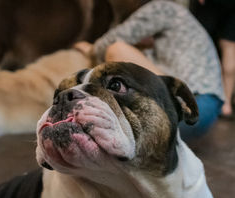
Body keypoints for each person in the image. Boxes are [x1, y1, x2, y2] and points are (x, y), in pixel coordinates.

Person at [75, 0, 225, 142]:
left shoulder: (161, 7)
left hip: (193, 103)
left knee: (116, 49)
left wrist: (91, 49)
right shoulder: (176, 35)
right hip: (206, 109)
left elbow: (117, 37)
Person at [191, 0, 235, 117]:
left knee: (203, 44)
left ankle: (198, 97)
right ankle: (226, 105)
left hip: (209, 4)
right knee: (229, 47)